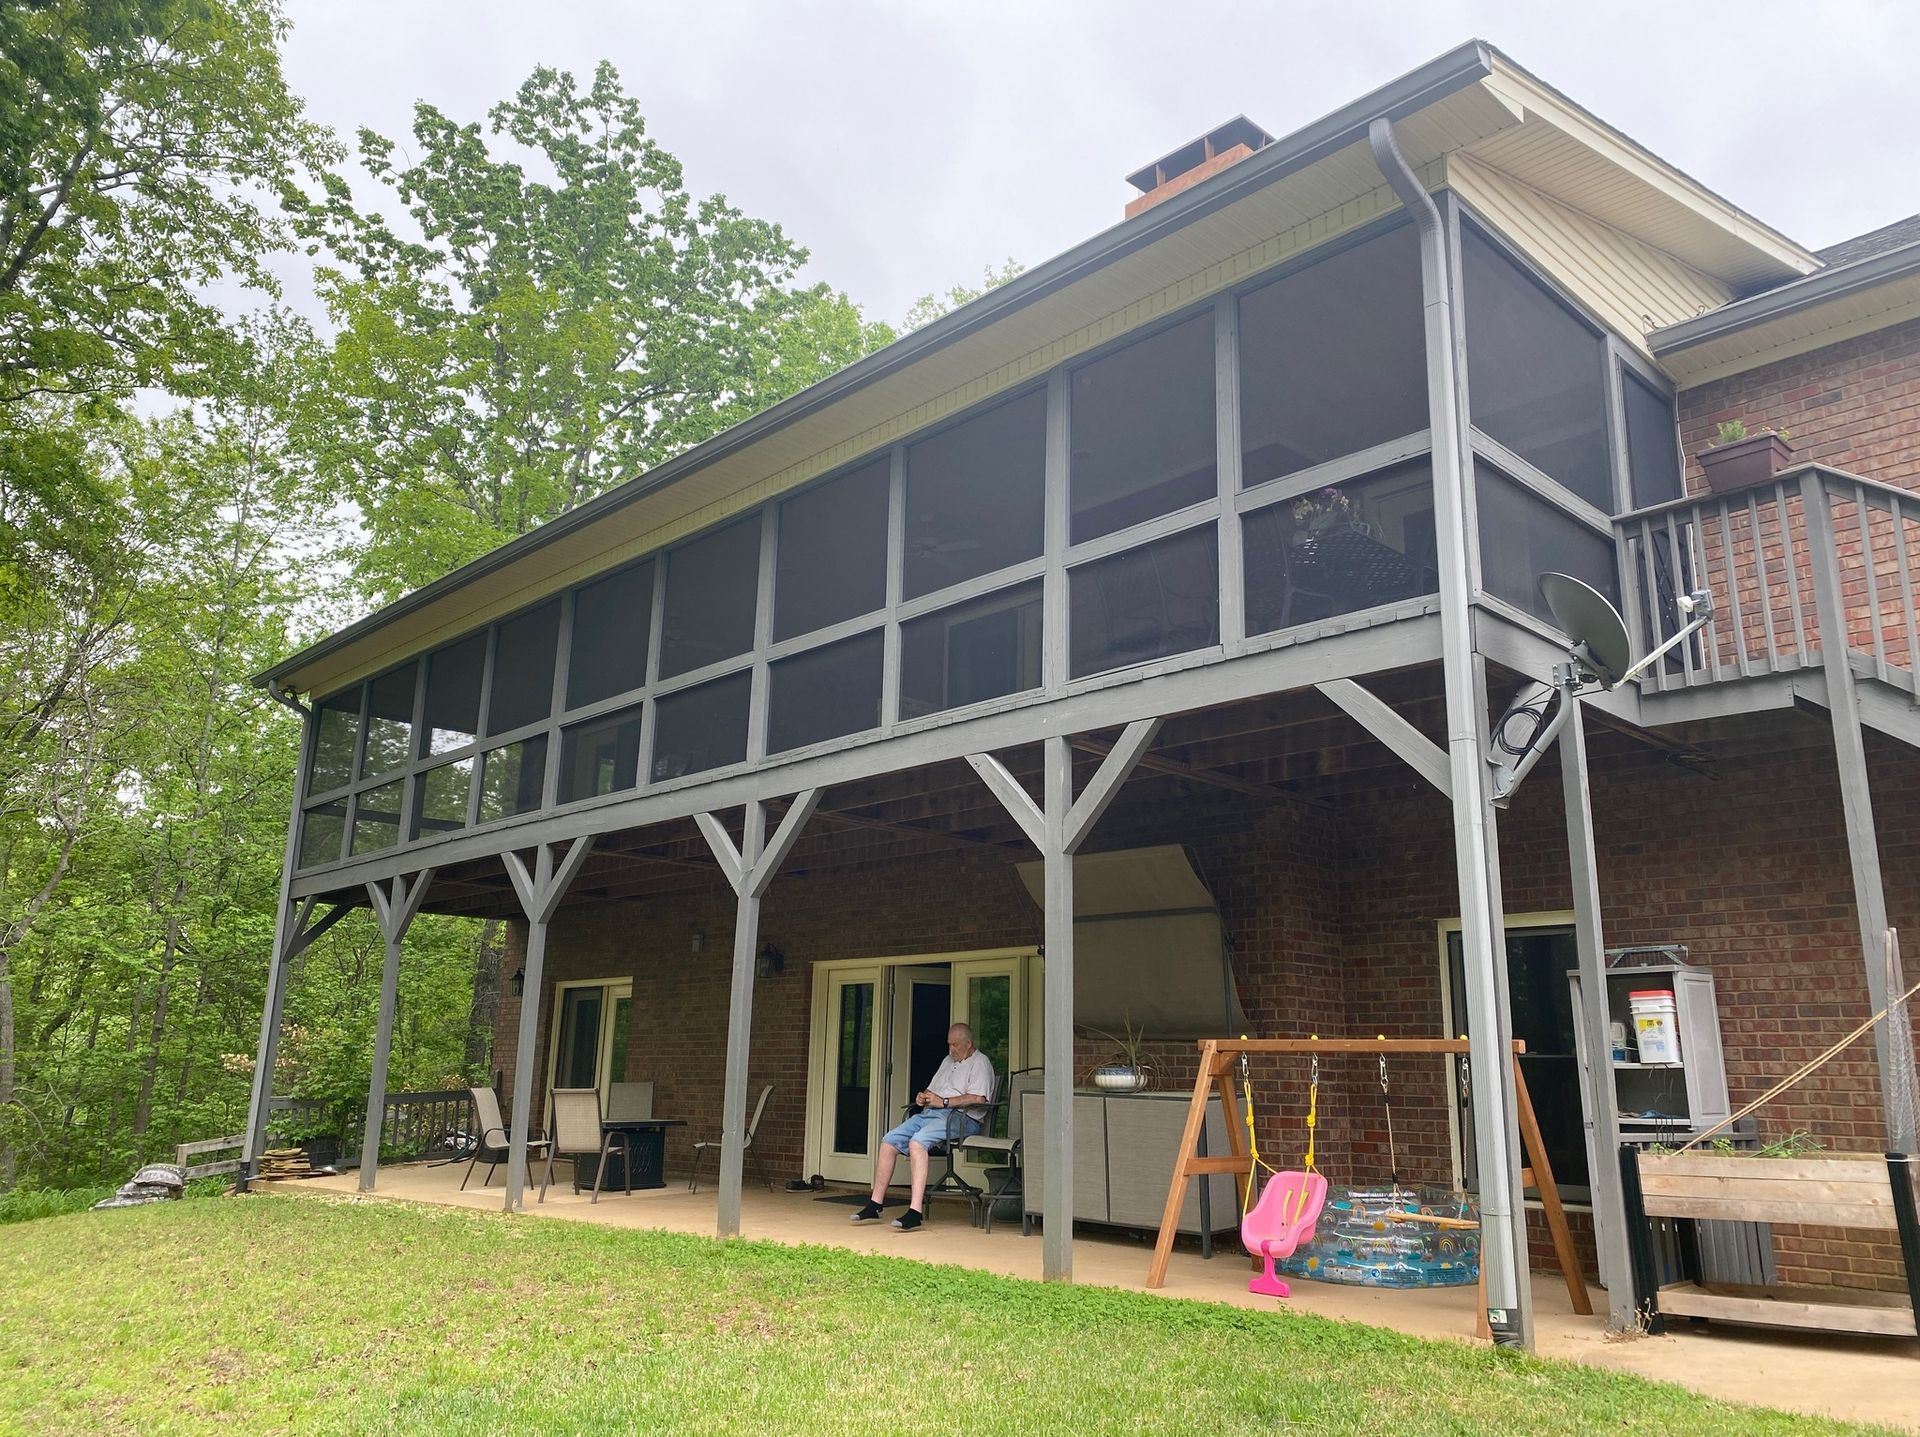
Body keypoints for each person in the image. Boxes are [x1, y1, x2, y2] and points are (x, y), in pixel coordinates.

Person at [851, 1022, 994, 1231]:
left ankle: (915, 1211)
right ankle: (875, 1204)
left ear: (968, 1043)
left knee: (917, 1143)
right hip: (932, 1114)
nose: (951, 1049)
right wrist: (923, 1096)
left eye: (955, 1045)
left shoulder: (980, 1063)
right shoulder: (948, 1060)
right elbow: (933, 1089)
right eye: (949, 1044)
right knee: (888, 1141)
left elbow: (979, 1099)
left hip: (962, 1119)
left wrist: (943, 1102)